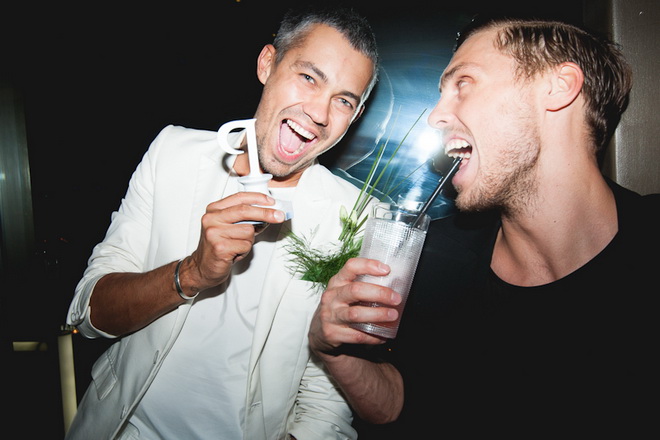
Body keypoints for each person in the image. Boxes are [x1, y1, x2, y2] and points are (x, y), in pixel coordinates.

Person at [308, 15, 660, 438]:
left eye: (464, 83)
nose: (436, 116)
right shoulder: (434, 259)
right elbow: (398, 403)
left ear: (559, 87)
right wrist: (335, 351)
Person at [65, 7, 380, 440]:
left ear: (355, 116)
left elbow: (326, 401)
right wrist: (192, 272)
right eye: (309, 77)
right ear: (267, 64)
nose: (320, 112)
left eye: (344, 100)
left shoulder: (355, 216)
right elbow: (89, 313)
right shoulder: (172, 153)